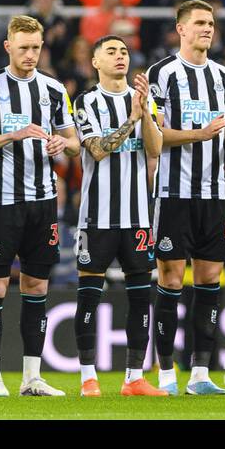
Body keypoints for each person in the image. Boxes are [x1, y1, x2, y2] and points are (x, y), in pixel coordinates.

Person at [0, 15, 79, 397]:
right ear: (8, 46)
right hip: (3, 201)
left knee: (37, 285)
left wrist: (64, 146)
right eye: (23, 47)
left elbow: (75, 142)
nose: (30, 54)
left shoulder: (54, 90)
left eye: (36, 47)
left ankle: (32, 377)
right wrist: (10, 134)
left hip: (43, 203)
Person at [146, 0, 225, 396]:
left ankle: (200, 374)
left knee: (210, 280)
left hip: (212, 193)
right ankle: (166, 375)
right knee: (171, 280)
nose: (207, 29)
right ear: (181, 29)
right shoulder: (162, 74)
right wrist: (197, 134)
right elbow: (154, 138)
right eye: (199, 23)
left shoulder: (223, 75)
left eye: (210, 23)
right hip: (174, 193)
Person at [71, 35, 163, 397]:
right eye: (111, 51)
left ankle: (133, 377)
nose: (120, 56)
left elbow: (155, 150)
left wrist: (146, 114)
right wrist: (131, 120)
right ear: (95, 62)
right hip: (97, 216)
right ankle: (88, 376)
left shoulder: (142, 100)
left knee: (141, 297)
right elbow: (97, 151)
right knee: (89, 295)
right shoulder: (86, 102)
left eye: (124, 51)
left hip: (138, 215)